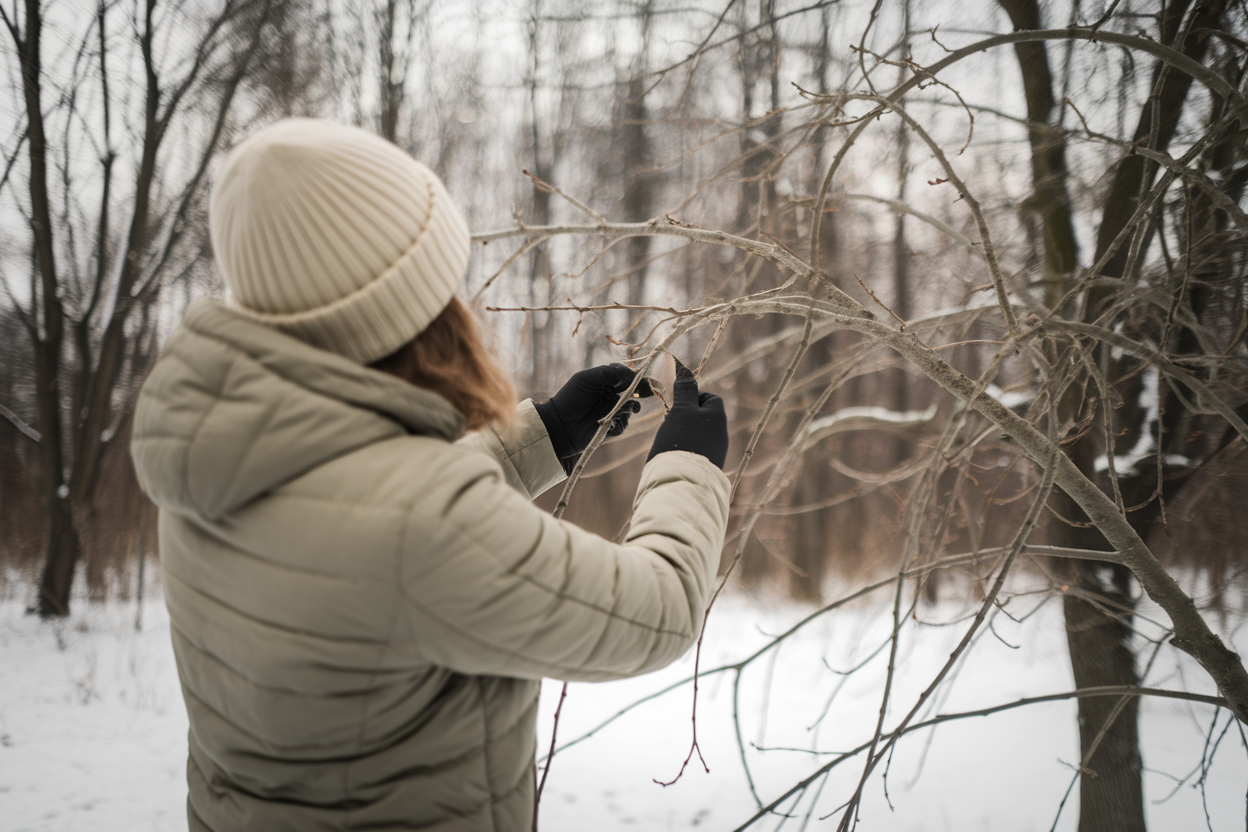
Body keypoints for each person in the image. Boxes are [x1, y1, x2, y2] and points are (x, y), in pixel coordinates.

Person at [130, 118, 731, 832]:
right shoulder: (416, 524)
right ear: (396, 309)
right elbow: (653, 611)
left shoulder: (219, 460)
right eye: (440, 282)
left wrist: (541, 435)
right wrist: (687, 465)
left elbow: (362, 517)